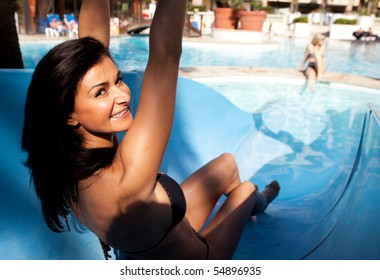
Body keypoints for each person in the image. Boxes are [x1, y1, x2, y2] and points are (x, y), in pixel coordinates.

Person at [21, 0, 280, 260]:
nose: (121, 95)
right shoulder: (126, 178)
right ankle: (262, 200)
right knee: (246, 190)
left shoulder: (66, 164)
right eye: (101, 92)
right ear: (68, 115)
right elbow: (166, 55)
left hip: (160, 236)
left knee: (227, 164)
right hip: (203, 258)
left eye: (117, 80)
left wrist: (99, 79)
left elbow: (92, 47)